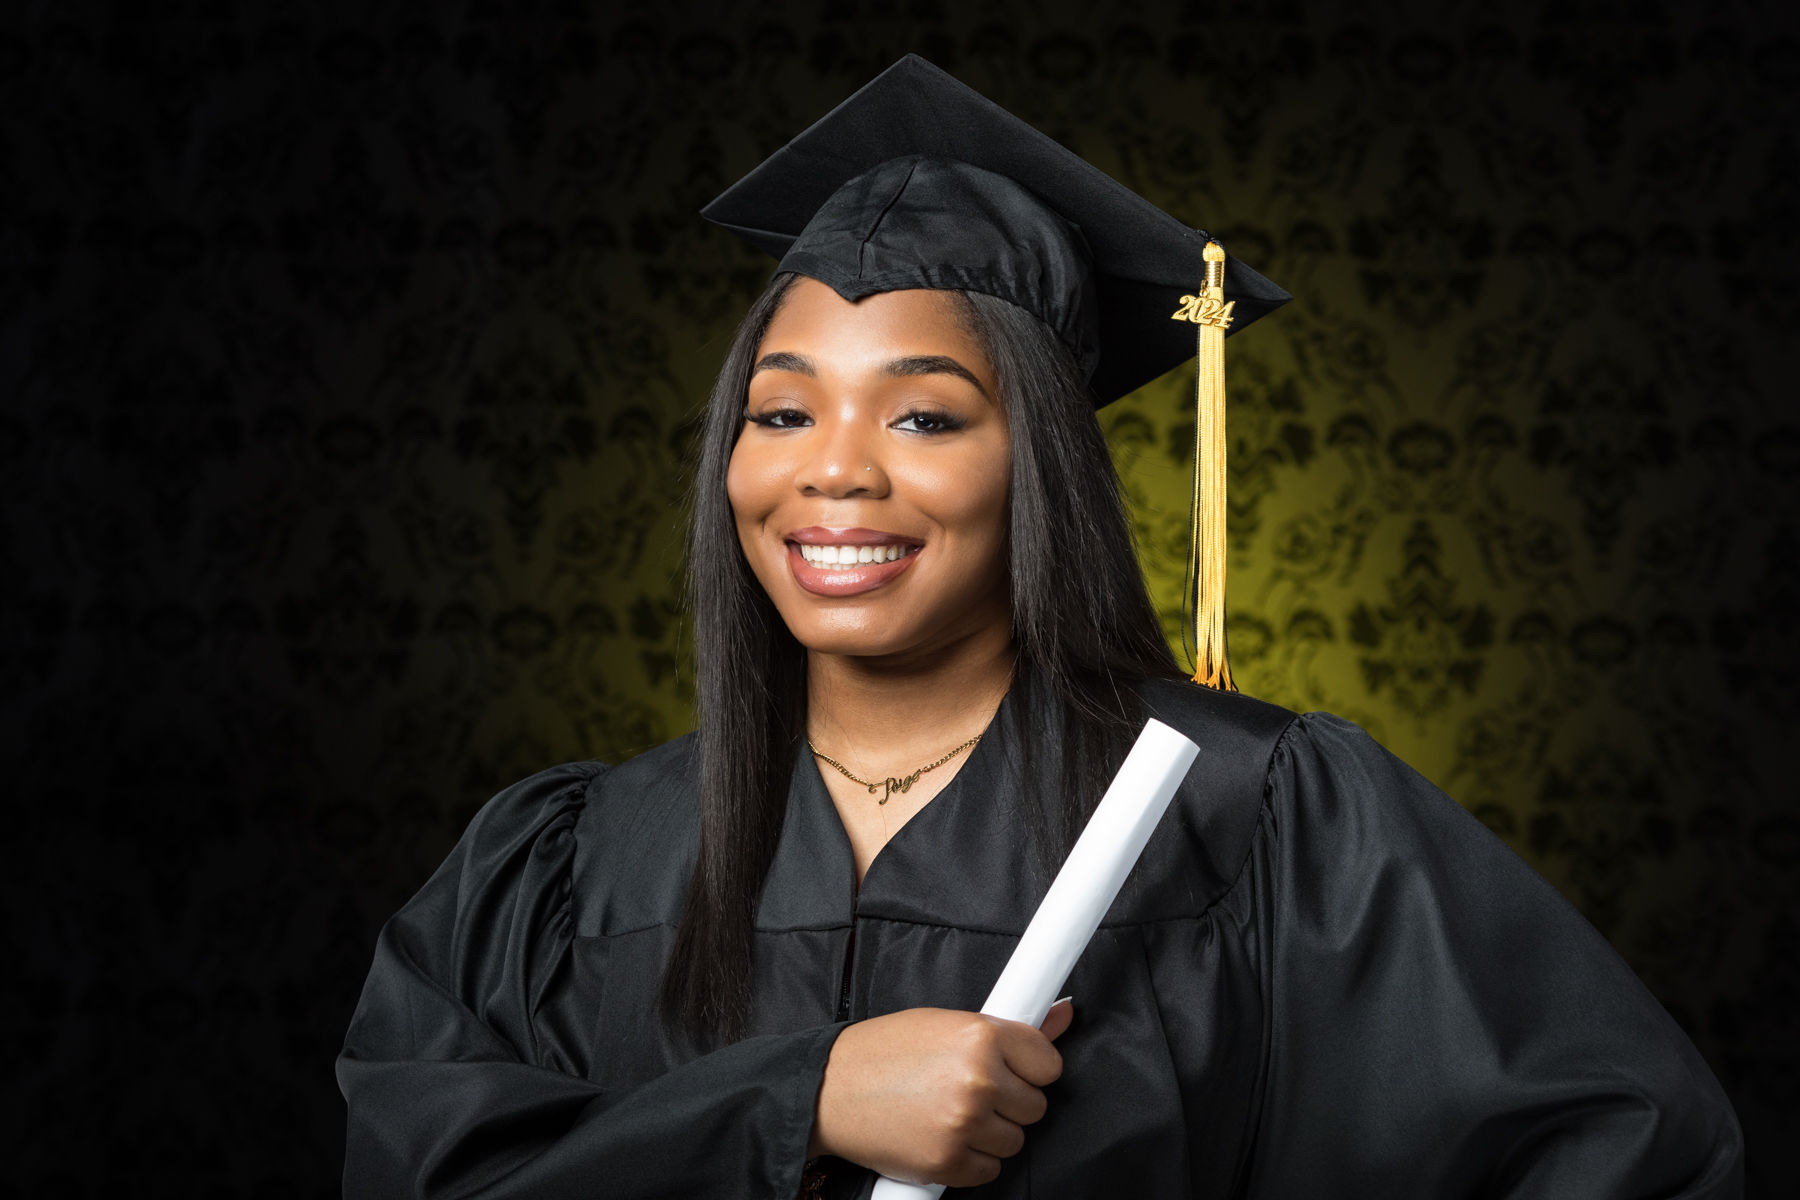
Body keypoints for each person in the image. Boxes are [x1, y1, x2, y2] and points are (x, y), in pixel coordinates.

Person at [337, 56, 1743, 1198]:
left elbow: (1623, 1154)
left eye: (927, 414)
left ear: (1042, 468)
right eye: (781, 410)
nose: (833, 468)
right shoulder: (572, 861)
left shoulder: (1257, 820)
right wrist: (801, 1102)